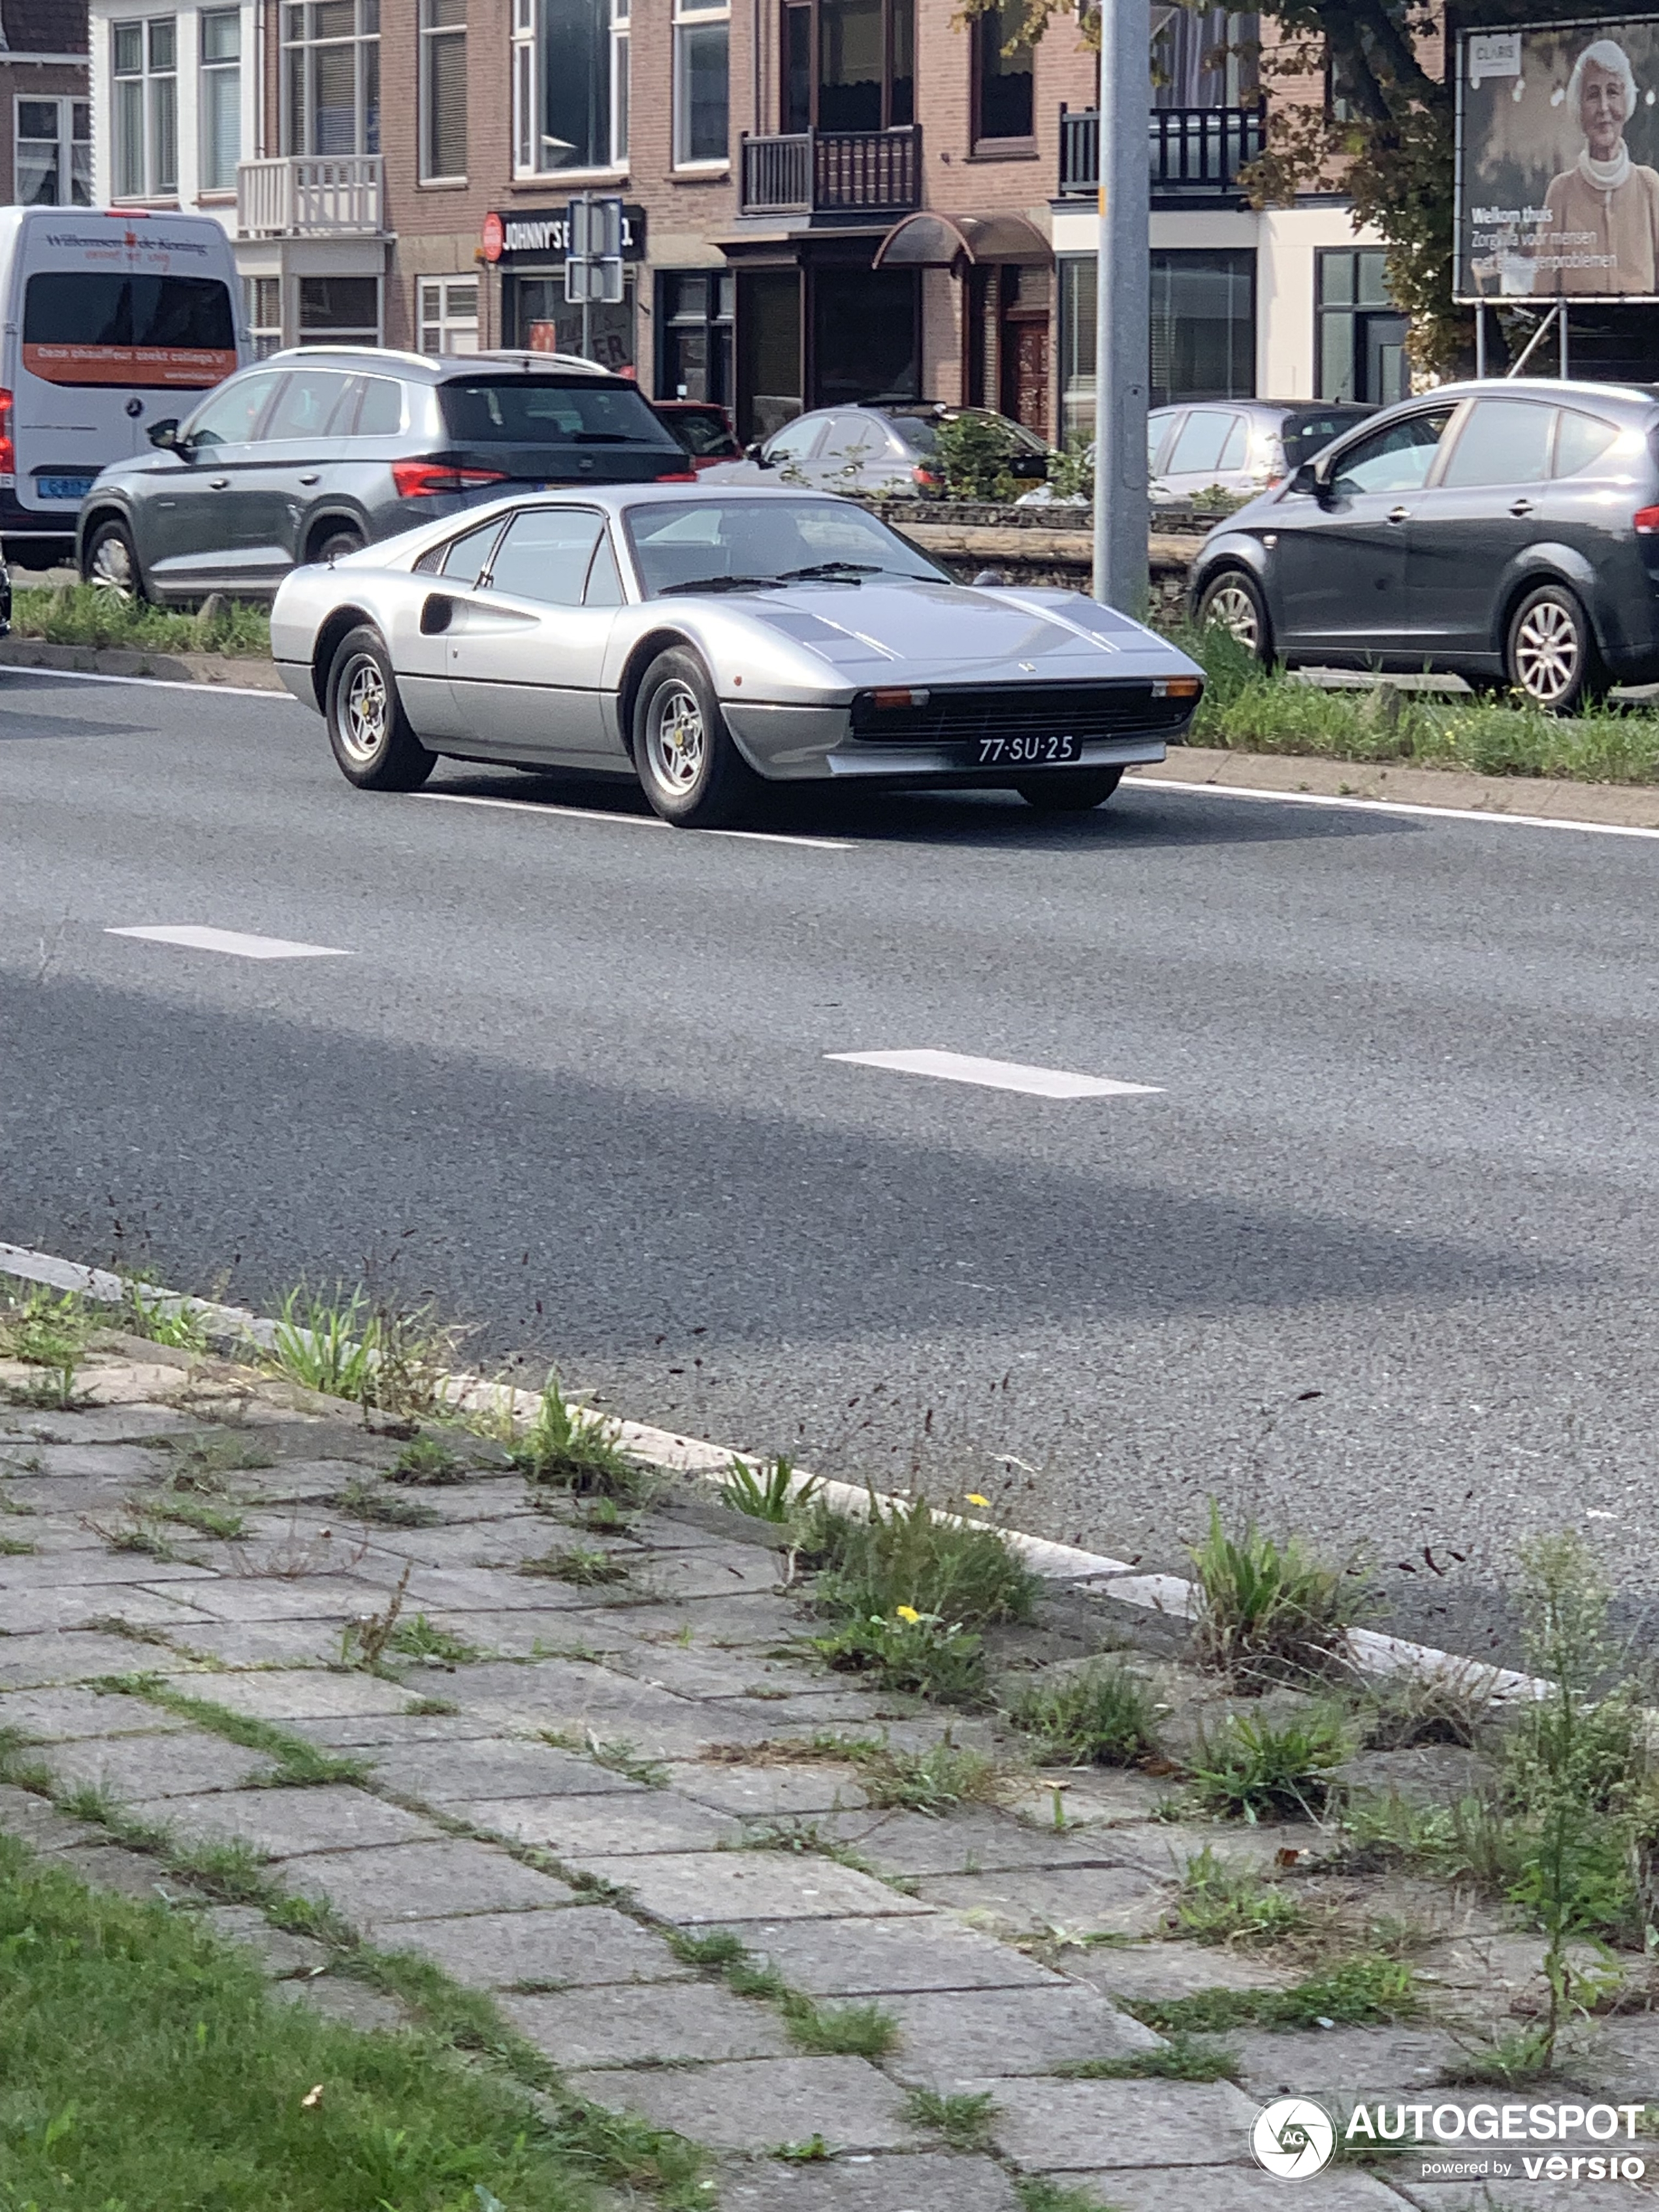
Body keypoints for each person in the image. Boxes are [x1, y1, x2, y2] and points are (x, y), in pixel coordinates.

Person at [1538, 38, 1659, 293]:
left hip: (1643, 330)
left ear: (1626, 102)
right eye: (1593, 95)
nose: (1604, 108)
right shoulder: (1561, 191)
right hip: (1575, 331)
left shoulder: (1649, 185)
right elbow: (1544, 288)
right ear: (1579, 108)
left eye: (1613, 92)